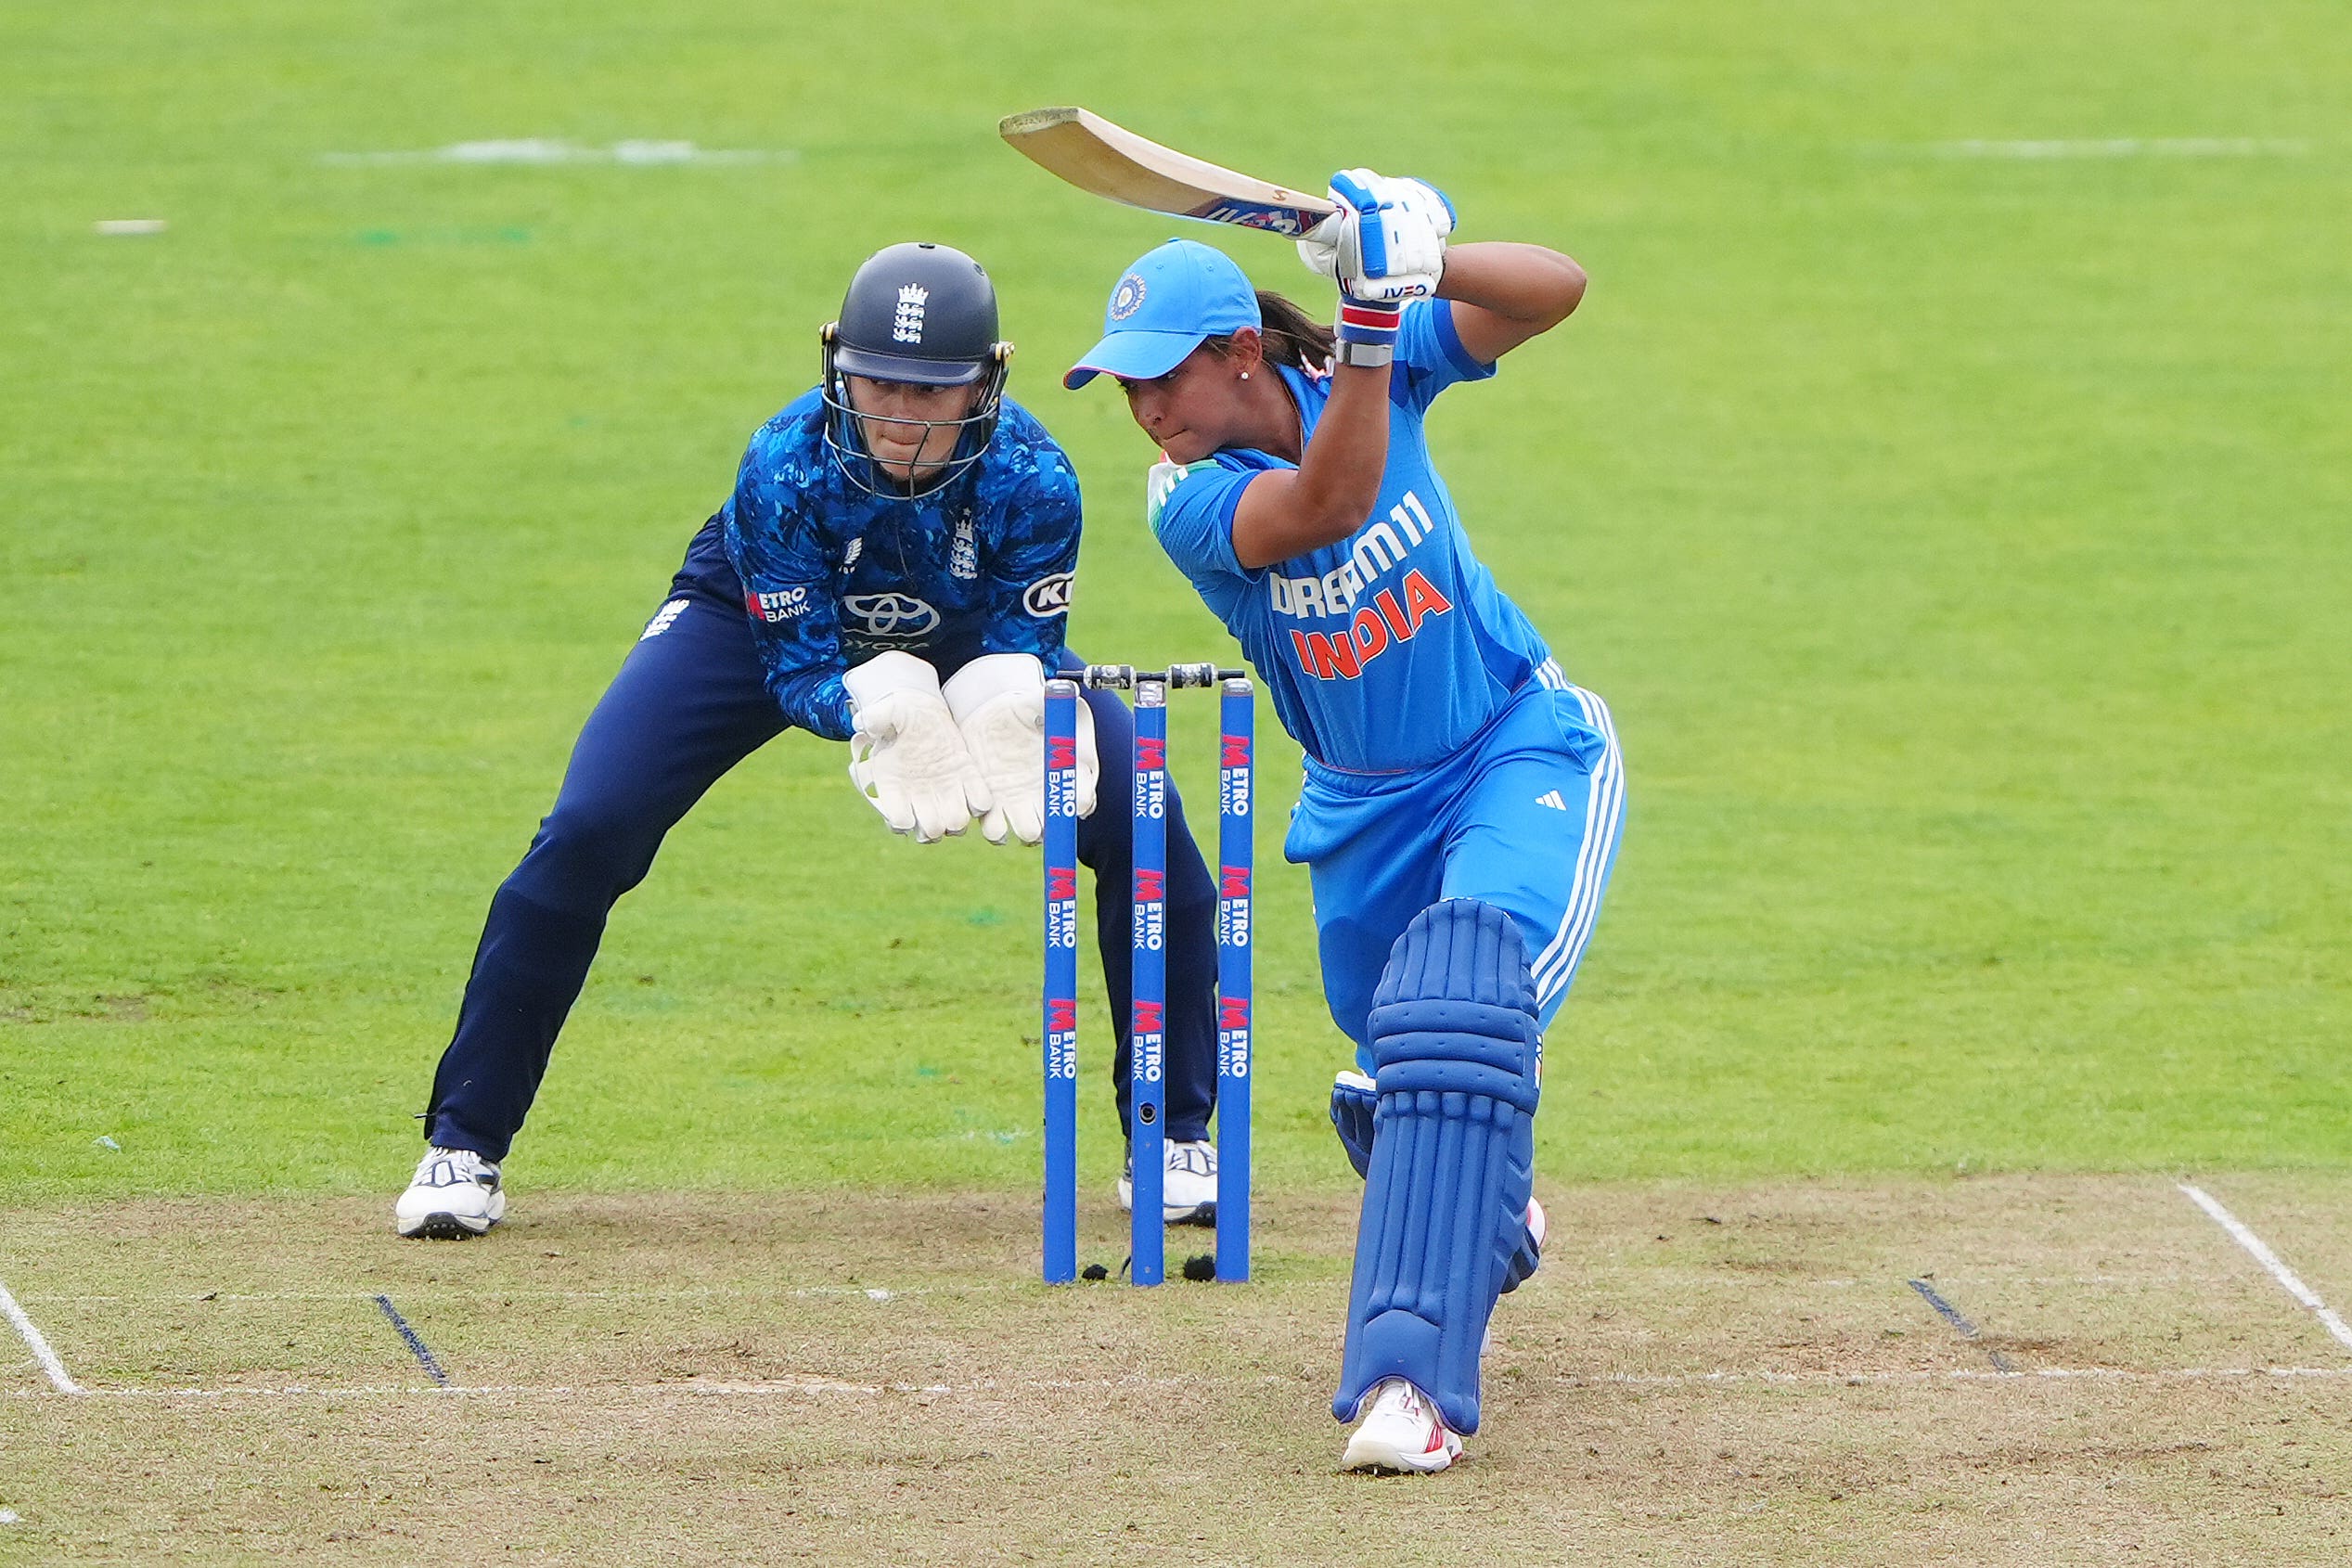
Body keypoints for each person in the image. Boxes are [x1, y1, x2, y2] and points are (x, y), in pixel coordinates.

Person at [396, 242, 1225, 1240]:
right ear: (839, 365)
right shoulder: (784, 462)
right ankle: (464, 1143)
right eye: (879, 386)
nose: (903, 419)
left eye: (933, 392)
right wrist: (875, 709)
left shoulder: (1036, 477)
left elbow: (1024, 651)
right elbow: (796, 671)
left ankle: (1171, 1133)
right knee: (588, 829)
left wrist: (1006, 706)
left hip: (963, 630)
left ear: (985, 382)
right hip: (753, 617)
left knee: (1144, 816)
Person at [1063, 178, 1625, 1472]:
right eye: (1127, 386)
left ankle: (1407, 1389)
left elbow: (1555, 288)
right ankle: (1492, 1216)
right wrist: (1369, 320)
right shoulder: (1185, 499)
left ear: (1238, 352)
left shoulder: (1374, 365)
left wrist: (1423, 259)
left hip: (1513, 747)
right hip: (1362, 816)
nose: (1147, 409)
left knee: (1453, 1017)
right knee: (1391, 1090)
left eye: (1164, 376)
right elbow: (1328, 502)